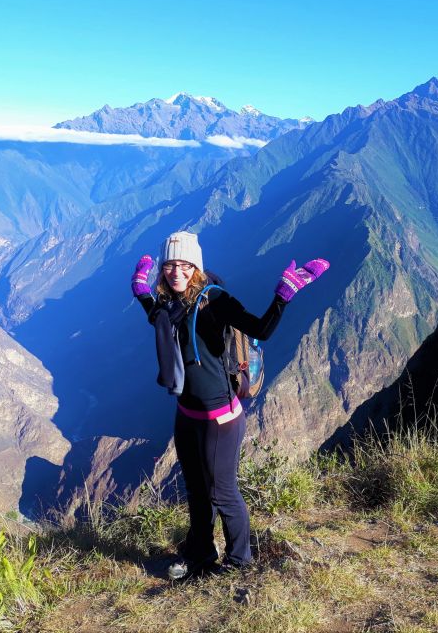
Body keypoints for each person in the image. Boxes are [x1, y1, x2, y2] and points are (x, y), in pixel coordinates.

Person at [129, 230, 329, 580]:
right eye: (170, 266)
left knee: (223, 493)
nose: (177, 272)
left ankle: (239, 563)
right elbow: (151, 309)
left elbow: (259, 329)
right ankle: (201, 554)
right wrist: (140, 287)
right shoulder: (169, 308)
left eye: (185, 265)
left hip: (220, 419)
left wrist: (283, 297)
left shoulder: (215, 300)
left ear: (197, 267)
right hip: (187, 415)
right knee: (195, 489)